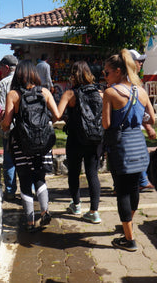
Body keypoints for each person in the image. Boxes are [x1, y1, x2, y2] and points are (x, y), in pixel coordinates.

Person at [102, 49, 155, 251]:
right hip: (139, 146)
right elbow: (152, 118)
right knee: (134, 189)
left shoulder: (110, 93)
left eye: (107, 72)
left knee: (122, 192)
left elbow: (106, 124)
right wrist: (137, 118)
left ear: (117, 71)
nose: (105, 76)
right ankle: (128, 225)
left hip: (120, 148)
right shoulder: (140, 91)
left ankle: (129, 239)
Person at [0, 60, 61, 232]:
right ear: (34, 73)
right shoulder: (45, 92)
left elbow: (6, 124)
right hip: (43, 143)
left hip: (21, 143)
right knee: (40, 178)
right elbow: (57, 115)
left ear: (18, 73)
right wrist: (44, 122)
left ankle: (29, 222)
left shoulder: (13, 95)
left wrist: (3, 124)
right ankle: (44, 211)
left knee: (25, 181)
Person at [57, 61, 103, 223]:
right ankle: (94, 212)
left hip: (76, 138)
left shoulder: (70, 94)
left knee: (74, 173)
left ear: (73, 75)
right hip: (95, 138)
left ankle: (76, 205)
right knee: (93, 174)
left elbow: (57, 114)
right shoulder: (99, 93)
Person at [130, 49, 156, 191]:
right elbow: (139, 108)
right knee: (141, 154)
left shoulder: (131, 78)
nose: (141, 63)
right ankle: (142, 181)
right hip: (132, 126)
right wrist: (149, 127)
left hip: (131, 126)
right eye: (139, 61)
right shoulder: (131, 81)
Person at [0, 55, 18, 200]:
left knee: (9, 160)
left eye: (1, 67)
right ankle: (31, 190)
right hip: (25, 128)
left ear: (7, 67)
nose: (0, 70)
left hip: (9, 128)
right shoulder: (26, 79)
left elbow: (1, 110)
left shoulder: (4, 83)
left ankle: (10, 191)